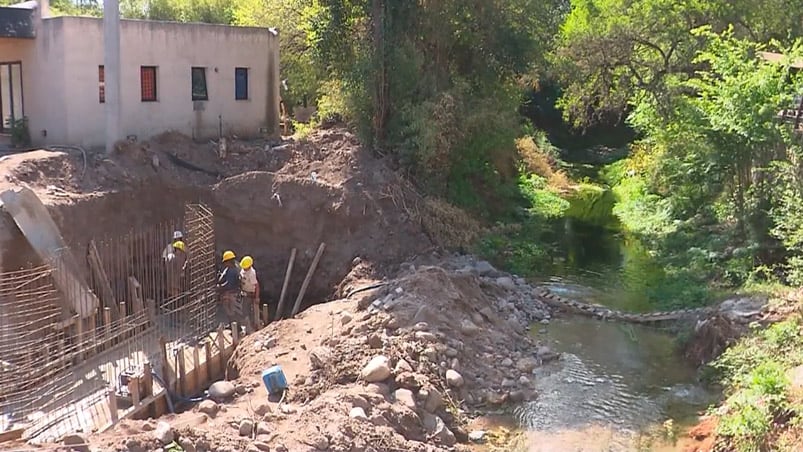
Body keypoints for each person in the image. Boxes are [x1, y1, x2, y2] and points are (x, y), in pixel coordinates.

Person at [217, 250, 240, 328]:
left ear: (229, 261)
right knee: (231, 310)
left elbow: (229, 284)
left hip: (231, 293)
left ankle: (236, 327)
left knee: (231, 310)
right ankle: (233, 325)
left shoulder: (232, 271)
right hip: (233, 292)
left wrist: (220, 287)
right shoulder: (233, 268)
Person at [239, 256, 260, 332]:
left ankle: (250, 327)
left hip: (250, 294)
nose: (244, 269)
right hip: (244, 292)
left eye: (245, 267)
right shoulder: (243, 270)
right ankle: (248, 325)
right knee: (244, 309)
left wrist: (257, 297)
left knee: (247, 310)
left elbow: (257, 286)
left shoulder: (251, 273)